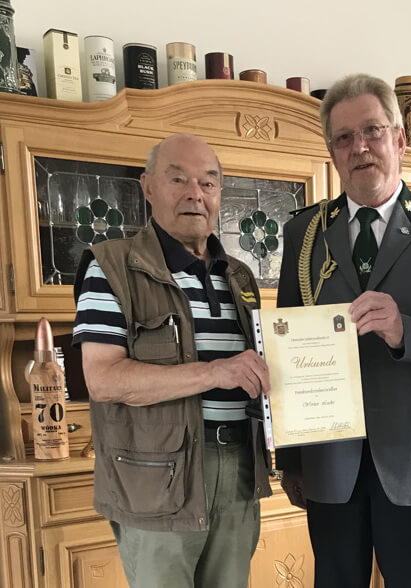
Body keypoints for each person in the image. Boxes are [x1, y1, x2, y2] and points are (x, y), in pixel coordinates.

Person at [274, 73, 411, 588]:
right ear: (332, 153)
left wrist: (406, 332)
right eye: (344, 137)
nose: (359, 147)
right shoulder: (303, 233)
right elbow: (287, 352)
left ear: (399, 140)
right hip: (328, 458)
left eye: (372, 131)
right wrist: (290, 459)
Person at [72, 133, 272, 588]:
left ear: (219, 193)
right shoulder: (111, 267)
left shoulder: (239, 276)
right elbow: (103, 379)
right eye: (178, 179)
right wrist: (214, 372)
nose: (195, 194)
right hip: (155, 481)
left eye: (208, 182)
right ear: (147, 187)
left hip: (240, 469)